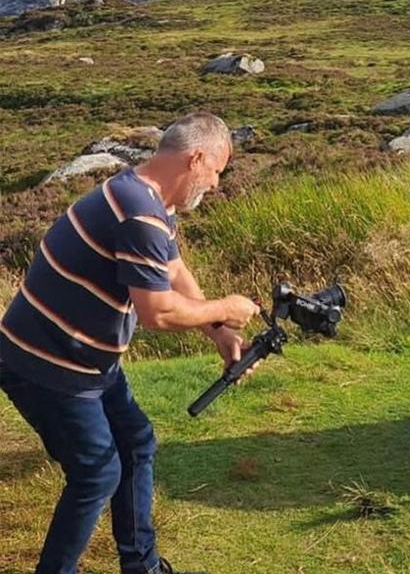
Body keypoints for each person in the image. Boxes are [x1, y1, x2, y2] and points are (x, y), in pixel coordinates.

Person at [0, 111, 260, 574]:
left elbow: (173, 271)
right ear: (196, 159)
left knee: (136, 442)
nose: (216, 184)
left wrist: (219, 331)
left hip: (87, 361)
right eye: (217, 170)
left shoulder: (147, 197)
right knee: (97, 473)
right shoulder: (138, 212)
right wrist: (224, 307)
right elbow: (157, 312)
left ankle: (141, 565)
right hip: (46, 365)